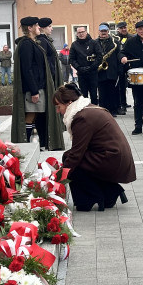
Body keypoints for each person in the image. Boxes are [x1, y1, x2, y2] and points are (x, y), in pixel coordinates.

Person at [54, 83, 136, 212]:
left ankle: (88, 200)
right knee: (69, 158)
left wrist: (57, 179)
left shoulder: (82, 117)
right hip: (114, 155)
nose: (58, 111)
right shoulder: (86, 109)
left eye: (59, 106)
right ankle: (110, 191)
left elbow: (76, 154)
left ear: (69, 103)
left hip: (112, 158)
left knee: (72, 161)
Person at [11, 16, 64, 150]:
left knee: (38, 115)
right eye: (36, 25)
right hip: (34, 88)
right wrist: (34, 90)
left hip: (39, 86)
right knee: (31, 115)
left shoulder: (33, 42)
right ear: (30, 28)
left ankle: (41, 145)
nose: (39, 27)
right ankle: (25, 146)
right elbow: (27, 69)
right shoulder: (27, 44)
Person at [69, 25, 102, 103]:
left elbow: (99, 57)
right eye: (79, 32)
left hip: (93, 72)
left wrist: (92, 67)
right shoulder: (74, 45)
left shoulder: (94, 43)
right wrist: (79, 68)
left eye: (82, 32)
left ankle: (94, 111)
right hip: (81, 73)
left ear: (86, 32)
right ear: (77, 34)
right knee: (83, 95)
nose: (81, 34)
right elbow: (71, 59)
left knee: (94, 94)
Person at [95, 23, 122, 115]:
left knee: (112, 92)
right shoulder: (95, 43)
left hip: (112, 70)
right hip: (100, 72)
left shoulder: (115, 42)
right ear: (99, 32)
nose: (103, 33)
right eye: (102, 31)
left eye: (105, 31)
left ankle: (113, 110)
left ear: (108, 31)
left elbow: (119, 56)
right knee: (102, 93)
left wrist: (119, 70)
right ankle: (103, 111)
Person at [114, 22, 130, 113]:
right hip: (119, 65)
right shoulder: (115, 38)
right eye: (121, 28)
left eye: (125, 27)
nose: (124, 29)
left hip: (129, 64)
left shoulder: (131, 37)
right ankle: (122, 104)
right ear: (118, 29)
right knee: (121, 86)